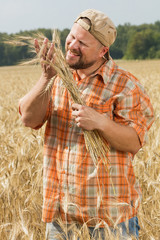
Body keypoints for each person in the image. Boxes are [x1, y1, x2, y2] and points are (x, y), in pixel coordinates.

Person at [19, 9, 154, 239]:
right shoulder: (58, 78)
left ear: (103, 50)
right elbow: (28, 119)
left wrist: (101, 122)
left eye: (82, 42)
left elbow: (134, 142)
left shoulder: (125, 86)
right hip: (61, 217)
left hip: (110, 219)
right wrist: (46, 77)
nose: (72, 45)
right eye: (71, 37)